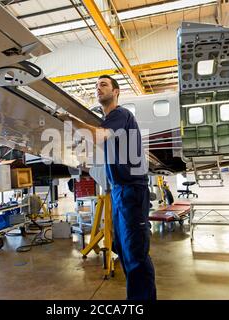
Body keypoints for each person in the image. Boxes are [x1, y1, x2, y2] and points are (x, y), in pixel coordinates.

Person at [58, 75, 156, 300]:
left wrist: (72, 121)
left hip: (132, 190)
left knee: (136, 254)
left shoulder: (119, 115)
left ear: (116, 91)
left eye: (104, 85)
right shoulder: (108, 122)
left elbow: (98, 135)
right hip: (120, 191)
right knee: (122, 247)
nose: (98, 88)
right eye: (96, 86)